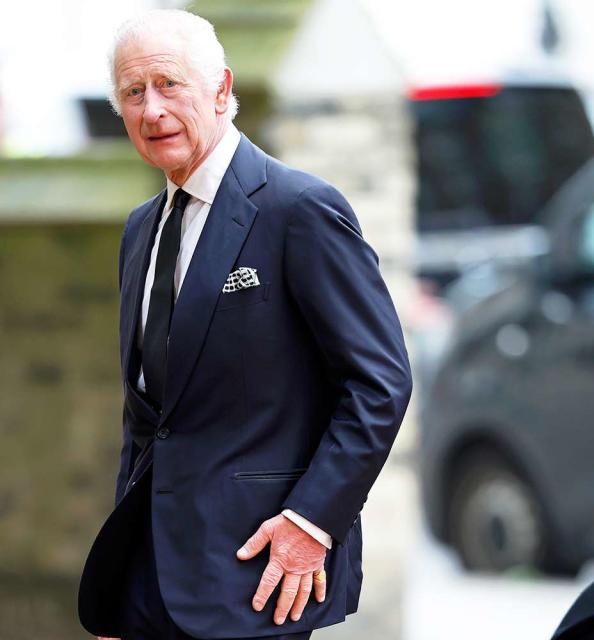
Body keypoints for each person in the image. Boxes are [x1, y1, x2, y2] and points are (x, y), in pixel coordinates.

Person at [78, 9, 412, 640]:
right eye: (133, 92)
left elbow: (379, 384)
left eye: (170, 84)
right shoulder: (138, 230)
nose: (152, 110)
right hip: (152, 581)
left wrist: (313, 523)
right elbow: (148, 417)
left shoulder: (299, 209)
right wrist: (123, 574)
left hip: (260, 572)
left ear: (223, 90)